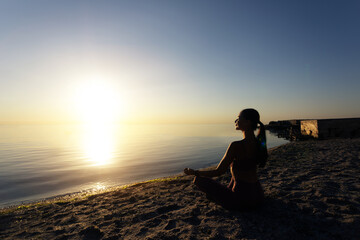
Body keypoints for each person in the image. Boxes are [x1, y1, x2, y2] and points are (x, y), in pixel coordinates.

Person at [184, 108, 268, 210]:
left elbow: (218, 172)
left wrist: (195, 172)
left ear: (247, 122)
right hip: (258, 197)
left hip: (242, 201)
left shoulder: (236, 145)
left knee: (198, 180)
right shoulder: (259, 143)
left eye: (238, 118)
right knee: (234, 177)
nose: (235, 121)